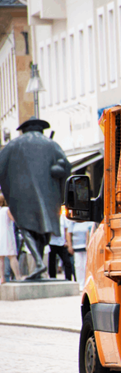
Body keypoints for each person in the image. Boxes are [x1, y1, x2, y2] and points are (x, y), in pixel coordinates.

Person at [0, 118, 72, 279]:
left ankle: (39, 265)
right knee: (42, 232)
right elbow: (66, 167)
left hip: (21, 194)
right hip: (48, 196)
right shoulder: (51, 144)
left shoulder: (13, 144)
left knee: (26, 227)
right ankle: (39, 265)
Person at [0, 193, 22, 283]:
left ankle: (2, 278)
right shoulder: (6, 210)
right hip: (7, 234)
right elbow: (14, 219)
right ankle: (18, 276)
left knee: (1, 258)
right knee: (12, 256)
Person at [48, 211, 74, 281]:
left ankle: (68, 278)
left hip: (62, 243)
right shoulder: (49, 218)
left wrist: (66, 241)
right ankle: (52, 278)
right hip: (52, 242)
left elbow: (66, 229)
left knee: (67, 261)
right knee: (52, 262)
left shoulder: (62, 217)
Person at [71, 221, 93, 290]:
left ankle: (85, 283)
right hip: (76, 246)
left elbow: (88, 233)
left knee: (85, 265)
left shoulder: (87, 223)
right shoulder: (72, 223)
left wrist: (87, 244)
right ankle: (80, 283)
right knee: (78, 265)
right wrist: (70, 246)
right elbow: (69, 234)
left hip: (85, 247)